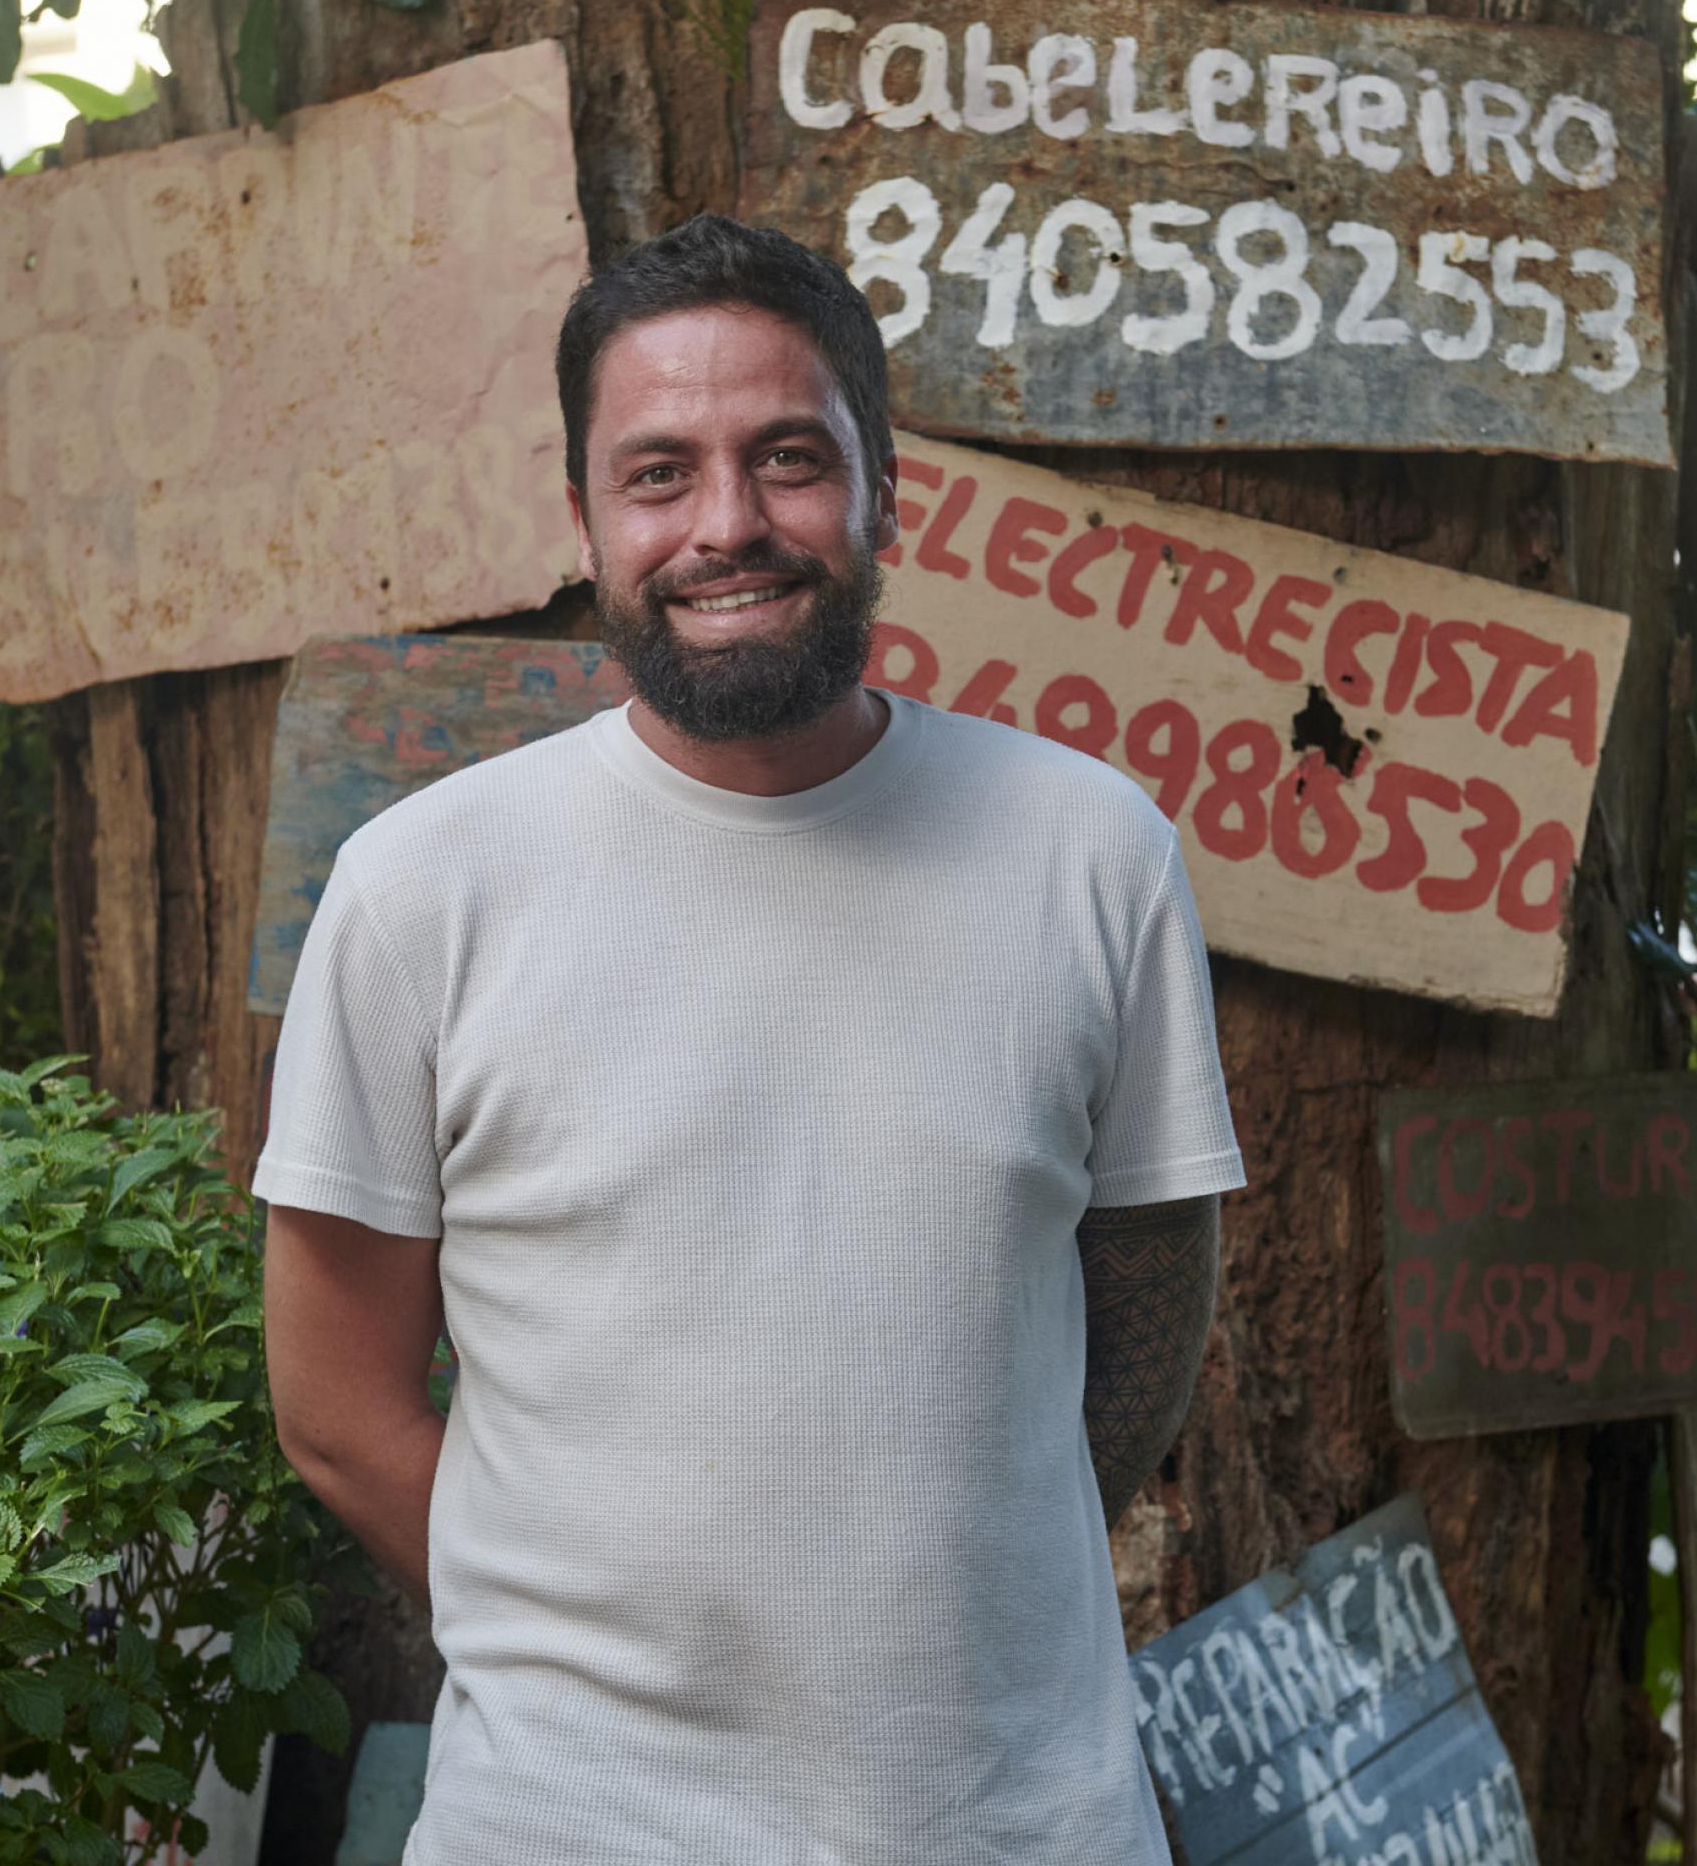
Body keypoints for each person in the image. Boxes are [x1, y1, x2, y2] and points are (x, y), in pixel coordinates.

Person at [255, 213, 1244, 1864]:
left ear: (882, 495)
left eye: (788, 458)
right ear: (583, 516)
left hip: (1014, 1828)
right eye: (658, 474)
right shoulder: (422, 890)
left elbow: (1143, 1308)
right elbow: (339, 1410)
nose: (727, 527)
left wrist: (932, 1582)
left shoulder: (1091, 852)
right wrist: (606, 1646)